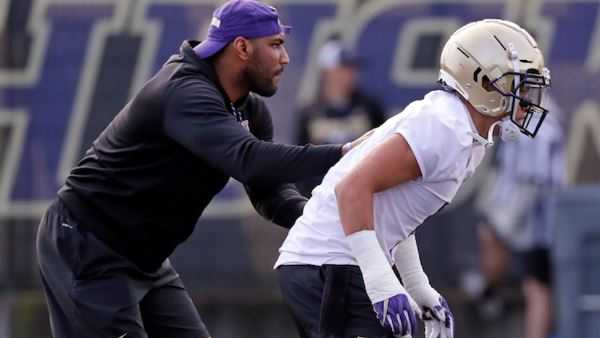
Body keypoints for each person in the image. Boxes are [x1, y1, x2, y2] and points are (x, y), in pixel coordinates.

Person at [35, 1, 363, 337]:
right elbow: (249, 159)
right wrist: (344, 151)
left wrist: (321, 219)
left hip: (145, 259)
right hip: (88, 242)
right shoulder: (184, 91)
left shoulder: (250, 111)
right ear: (242, 47)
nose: (285, 58)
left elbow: (270, 193)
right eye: (276, 45)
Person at [274, 19, 552, 338]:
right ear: (484, 82)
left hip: (339, 263)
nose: (527, 99)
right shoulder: (443, 127)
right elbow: (351, 189)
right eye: (520, 85)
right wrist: (381, 281)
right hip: (326, 264)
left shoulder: (465, 133)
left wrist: (417, 285)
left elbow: (396, 211)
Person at [475, 94, 565, 338]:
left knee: (537, 286)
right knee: (535, 284)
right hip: (532, 219)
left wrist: (508, 221)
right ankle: (490, 291)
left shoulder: (540, 129)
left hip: (538, 223)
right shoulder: (524, 123)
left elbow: (533, 180)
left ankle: (490, 293)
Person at [295, 37, 386, 196]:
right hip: (321, 196)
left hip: (362, 194)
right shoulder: (310, 113)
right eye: (344, 68)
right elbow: (301, 161)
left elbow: (384, 149)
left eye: (353, 68)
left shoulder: (369, 107)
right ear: (328, 72)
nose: (351, 74)